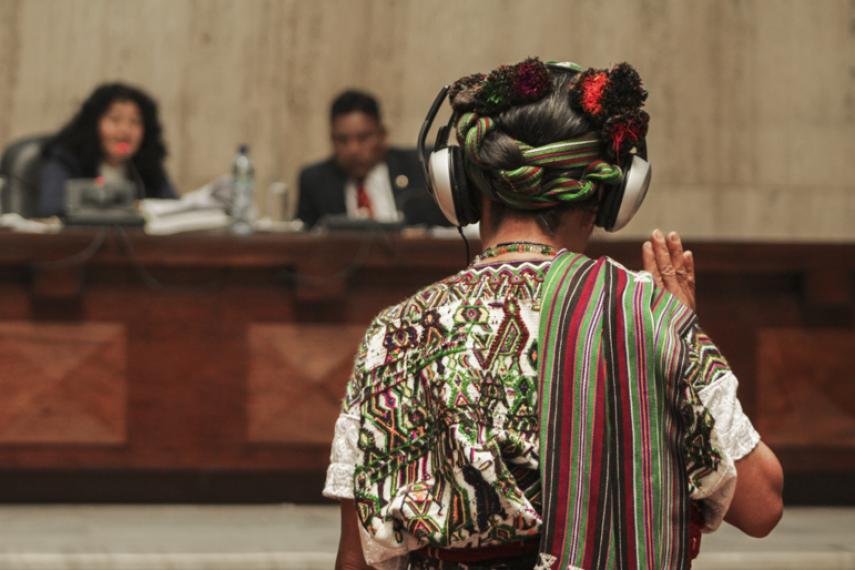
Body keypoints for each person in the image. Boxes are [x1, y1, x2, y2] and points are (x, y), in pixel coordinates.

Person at [324, 59, 783, 569]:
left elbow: (358, 557)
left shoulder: (399, 333)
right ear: (610, 200)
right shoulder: (644, 314)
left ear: (461, 189)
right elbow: (761, 506)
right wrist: (679, 346)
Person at [297, 89, 448, 228]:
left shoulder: (419, 166)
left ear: (382, 135)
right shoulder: (315, 181)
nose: (353, 149)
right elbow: (304, 240)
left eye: (363, 138)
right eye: (342, 140)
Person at [38, 82, 176, 217]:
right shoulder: (66, 159)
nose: (125, 131)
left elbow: (173, 210)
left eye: (135, 121)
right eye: (115, 120)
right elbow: (52, 208)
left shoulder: (147, 167)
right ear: (93, 124)